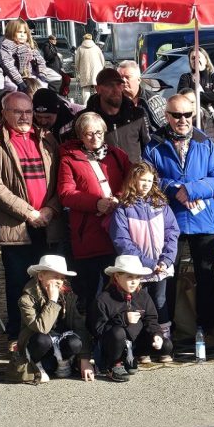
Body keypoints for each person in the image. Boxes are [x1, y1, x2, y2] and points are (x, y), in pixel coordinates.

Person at [0, 91, 66, 346]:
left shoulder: (47, 138)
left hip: (49, 223)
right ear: (4, 113)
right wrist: (28, 212)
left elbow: (62, 179)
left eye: (28, 111)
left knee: (52, 279)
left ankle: (52, 329)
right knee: (18, 282)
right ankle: (19, 335)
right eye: (17, 112)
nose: (25, 117)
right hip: (16, 226)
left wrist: (50, 210)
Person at [144, 94, 214, 342]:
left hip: (204, 219)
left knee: (206, 275)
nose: (183, 120)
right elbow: (149, 178)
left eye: (187, 115)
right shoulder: (154, 144)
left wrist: (192, 189)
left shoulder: (205, 142)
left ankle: (208, 328)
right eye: (177, 115)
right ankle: (165, 329)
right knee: (166, 275)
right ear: (167, 116)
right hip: (171, 221)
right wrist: (174, 188)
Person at [57, 112, 130, 311]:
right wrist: (96, 203)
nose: (95, 138)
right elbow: (66, 193)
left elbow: (131, 181)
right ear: (80, 135)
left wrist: (119, 197)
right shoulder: (69, 159)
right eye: (89, 134)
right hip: (88, 232)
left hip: (117, 230)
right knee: (93, 290)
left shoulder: (117, 155)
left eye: (98, 132)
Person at [110, 162, 179, 342]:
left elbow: (172, 232)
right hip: (138, 269)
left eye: (150, 180)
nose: (147, 184)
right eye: (142, 180)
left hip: (161, 266)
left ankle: (164, 340)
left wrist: (166, 260)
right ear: (133, 180)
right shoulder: (123, 209)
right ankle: (143, 342)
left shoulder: (161, 204)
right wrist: (148, 263)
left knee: (160, 300)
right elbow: (122, 241)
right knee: (140, 303)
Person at [89, 255, 171, 382]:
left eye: (137, 277)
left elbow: (151, 320)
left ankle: (131, 357)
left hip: (134, 342)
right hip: (111, 344)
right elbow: (98, 329)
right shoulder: (104, 299)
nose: (134, 281)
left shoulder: (143, 296)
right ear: (116, 276)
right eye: (129, 277)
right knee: (118, 332)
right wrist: (123, 319)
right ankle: (114, 364)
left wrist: (156, 334)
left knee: (166, 346)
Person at [16, 255, 93, 383]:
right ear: (41, 276)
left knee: (75, 342)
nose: (59, 282)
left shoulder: (68, 296)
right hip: (37, 344)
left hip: (58, 342)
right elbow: (41, 328)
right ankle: (37, 366)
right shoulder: (27, 299)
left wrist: (85, 360)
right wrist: (52, 301)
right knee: (42, 340)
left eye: (62, 278)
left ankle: (64, 362)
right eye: (55, 277)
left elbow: (79, 327)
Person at [84, 68, 149, 163]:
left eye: (119, 84)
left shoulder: (137, 115)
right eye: (109, 85)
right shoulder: (85, 119)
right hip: (101, 175)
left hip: (133, 174)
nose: (115, 90)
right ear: (98, 89)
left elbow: (148, 147)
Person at [0, 19, 51, 118]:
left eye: (25, 33)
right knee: (13, 90)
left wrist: (42, 75)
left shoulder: (29, 45)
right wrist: (19, 81)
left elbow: (40, 60)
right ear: (11, 32)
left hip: (29, 74)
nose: (22, 35)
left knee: (42, 87)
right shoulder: (6, 45)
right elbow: (8, 64)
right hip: (11, 77)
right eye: (19, 32)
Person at [176, 48, 214, 127]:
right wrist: (209, 96)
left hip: (213, 119)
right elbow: (183, 98)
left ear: (206, 60)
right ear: (190, 62)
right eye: (193, 58)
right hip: (193, 120)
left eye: (198, 57)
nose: (195, 60)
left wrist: (195, 96)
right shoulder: (185, 78)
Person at [118, 60, 168, 135]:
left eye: (127, 77)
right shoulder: (114, 102)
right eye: (120, 77)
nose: (123, 80)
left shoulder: (154, 101)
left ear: (138, 80)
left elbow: (166, 129)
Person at [74, 33, 105, 104]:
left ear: (84, 39)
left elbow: (77, 62)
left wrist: (78, 70)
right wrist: (101, 68)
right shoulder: (96, 48)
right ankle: (98, 103)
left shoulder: (80, 48)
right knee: (96, 88)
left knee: (85, 89)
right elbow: (102, 60)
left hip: (85, 71)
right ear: (91, 39)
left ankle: (86, 105)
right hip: (97, 71)